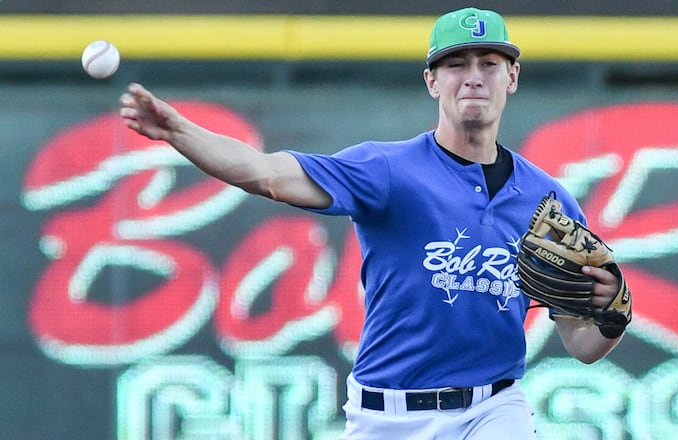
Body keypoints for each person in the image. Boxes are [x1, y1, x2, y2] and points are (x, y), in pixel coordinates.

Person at [120, 7, 627, 439]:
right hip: (388, 416)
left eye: (490, 63)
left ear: (511, 78)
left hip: (492, 411)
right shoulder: (387, 171)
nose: (474, 75)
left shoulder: (548, 202)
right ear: (432, 81)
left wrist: (609, 318)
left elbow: (581, 346)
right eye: (456, 64)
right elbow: (266, 174)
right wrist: (179, 132)